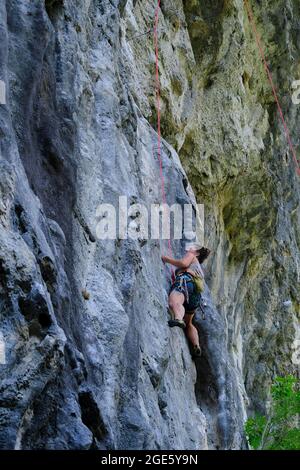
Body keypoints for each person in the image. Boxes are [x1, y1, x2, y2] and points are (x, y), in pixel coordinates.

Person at [161, 244, 211, 358]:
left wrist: (166, 259)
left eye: (193, 248)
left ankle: (178, 318)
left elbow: (183, 263)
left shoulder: (192, 255)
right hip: (196, 295)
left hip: (185, 282)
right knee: (189, 323)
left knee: (175, 302)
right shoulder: (199, 269)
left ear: (197, 253)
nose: (189, 249)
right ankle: (196, 345)